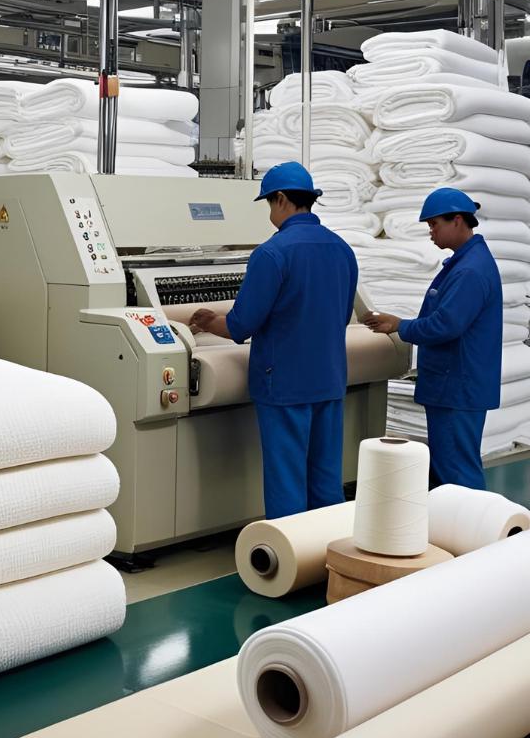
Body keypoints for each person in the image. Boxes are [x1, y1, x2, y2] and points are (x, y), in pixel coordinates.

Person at [190, 162, 358, 519]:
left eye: (269, 203)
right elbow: (342, 316)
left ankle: (290, 551)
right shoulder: (342, 249)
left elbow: (242, 324)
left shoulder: (272, 253)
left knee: (287, 482)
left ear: (281, 199)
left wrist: (208, 323)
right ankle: (328, 549)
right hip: (329, 381)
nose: (269, 212)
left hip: (285, 386)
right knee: (326, 479)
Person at [363, 187, 501, 489]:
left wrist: (400, 326)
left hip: (457, 386)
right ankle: (456, 518)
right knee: (450, 469)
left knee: (457, 473)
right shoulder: (464, 264)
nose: (430, 232)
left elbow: (445, 325)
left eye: (434, 224)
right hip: (453, 384)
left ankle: (473, 521)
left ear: (457, 220)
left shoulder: (470, 271)